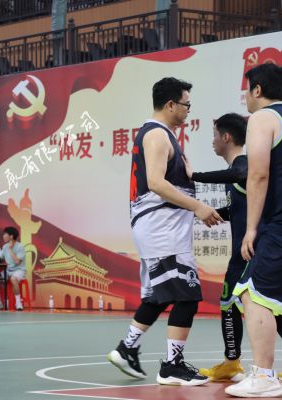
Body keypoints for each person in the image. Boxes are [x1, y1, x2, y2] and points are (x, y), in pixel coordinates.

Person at [108, 77, 222, 386]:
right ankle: (172, 366)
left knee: (161, 295)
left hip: (160, 228)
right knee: (187, 295)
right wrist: (197, 207)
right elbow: (156, 183)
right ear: (170, 104)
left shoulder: (161, 135)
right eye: (186, 104)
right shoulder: (157, 135)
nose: (188, 110)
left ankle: (127, 348)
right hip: (162, 229)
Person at [226, 63, 282, 398]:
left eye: (247, 90)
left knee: (252, 292)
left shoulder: (263, 118)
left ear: (257, 90)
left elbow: (258, 174)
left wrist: (250, 229)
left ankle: (263, 376)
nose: (245, 97)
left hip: (278, 224)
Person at [184, 113, 248, 382]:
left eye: (214, 136)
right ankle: (231, 364)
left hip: (254, 252)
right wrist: (207, 213)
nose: (212, 141)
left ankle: (234, 364)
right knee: (228, 303)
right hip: (240, 255)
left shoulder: (243, 165)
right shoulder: (236, 175)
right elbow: (239, 210)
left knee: (269, 309)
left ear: (226, 137)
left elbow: (240, 173)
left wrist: (194, 176)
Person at [0, 226, 26, 311]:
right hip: (8, 271)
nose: (3, 236)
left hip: (19, 270)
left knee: (13, 279)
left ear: (11, 236)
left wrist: (10, 249)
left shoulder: (20, 247)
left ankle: (18, 302)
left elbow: (17, 261)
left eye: (5, 234)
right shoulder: (5, 246)